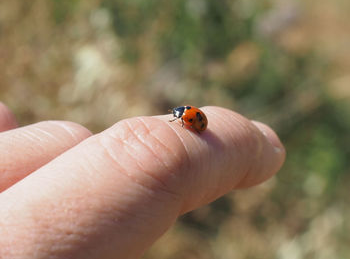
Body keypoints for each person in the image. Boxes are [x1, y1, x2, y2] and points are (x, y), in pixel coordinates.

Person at [0, 102, 285, 259]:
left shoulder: (187, 116)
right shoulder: (185, 116)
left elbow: (190, 121)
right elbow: (188, 120)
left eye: (179, 115)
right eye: (180, 115)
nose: (179, 117)